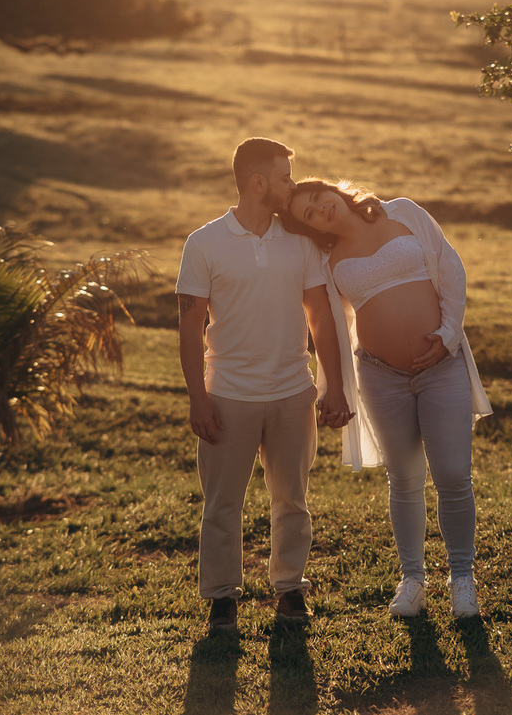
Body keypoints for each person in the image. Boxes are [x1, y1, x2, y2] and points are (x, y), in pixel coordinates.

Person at [282, 177, 492, 619]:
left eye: (321, 200)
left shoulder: (404, 213)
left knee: (453, 474)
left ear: (336, 191)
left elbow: (450, 268)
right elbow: (325, 325)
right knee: (405, 477)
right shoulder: (324, 258)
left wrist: (449, 335)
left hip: (442, 365)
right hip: (380, 376)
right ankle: (413, 579)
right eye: (309, 214)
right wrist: (332, 387)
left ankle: (461, 578)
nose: (321, 211)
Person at [176, 139, 352, 634]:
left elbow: (320, 315)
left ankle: (290, 589)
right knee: (221, 504)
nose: (291, 186)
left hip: (293, 391)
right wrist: (198, 397)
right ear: (258, 183)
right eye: (285, 178)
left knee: (292, 499)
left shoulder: (299, 242)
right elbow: (189, 328)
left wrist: (332, 386)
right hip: (227, 395)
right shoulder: (204, 243)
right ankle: (220, 599)